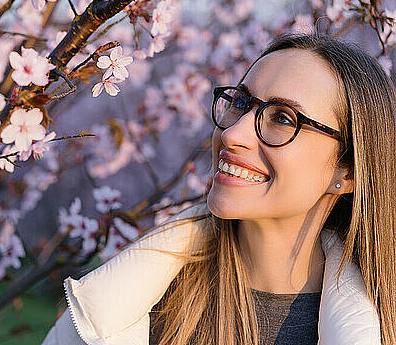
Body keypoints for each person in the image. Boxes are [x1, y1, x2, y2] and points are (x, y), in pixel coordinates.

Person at [41, 33, 396, 344]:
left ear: (347, 170)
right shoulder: (126, 310)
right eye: (240, 103)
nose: (232, 134)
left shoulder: (380, 326)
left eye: (283, 118)